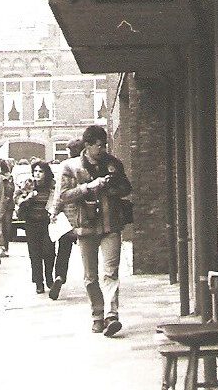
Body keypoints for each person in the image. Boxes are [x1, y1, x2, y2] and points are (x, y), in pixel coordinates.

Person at [51, 125, 132, 336]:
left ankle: (112, 315)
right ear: (87, 145)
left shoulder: (113, 164)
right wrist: (89, 187)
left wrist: (113, 186)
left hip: (111, 223)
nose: (103, 148)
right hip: (86, 225)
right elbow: (64, 195)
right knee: (90, 275)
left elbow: (126, 189)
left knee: (111, 272)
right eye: (99, 145)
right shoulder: (71, 167)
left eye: (104, 144)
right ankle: (97, 315)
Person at [48, 139, 84, 301]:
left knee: (63, 251)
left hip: (68, 217)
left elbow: (59, 193)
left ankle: (60, 276)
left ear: (70, 151)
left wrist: (54, 212)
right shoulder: (87, 164)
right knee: (89, 250)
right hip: (86, 215)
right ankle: (93, 280)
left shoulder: (65, 166)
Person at [17, 161, 56, 294]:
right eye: (35, 171)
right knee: (35, 253)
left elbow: (57, 201)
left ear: (46, 173)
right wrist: (28, 197)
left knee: (49, 251)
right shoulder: (28, 186)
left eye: (40, 171)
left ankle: (49, 276)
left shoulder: (51, 187)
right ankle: (39, 282)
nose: (37, 174)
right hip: (32, 223)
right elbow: (18, 201)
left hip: (47, 223)